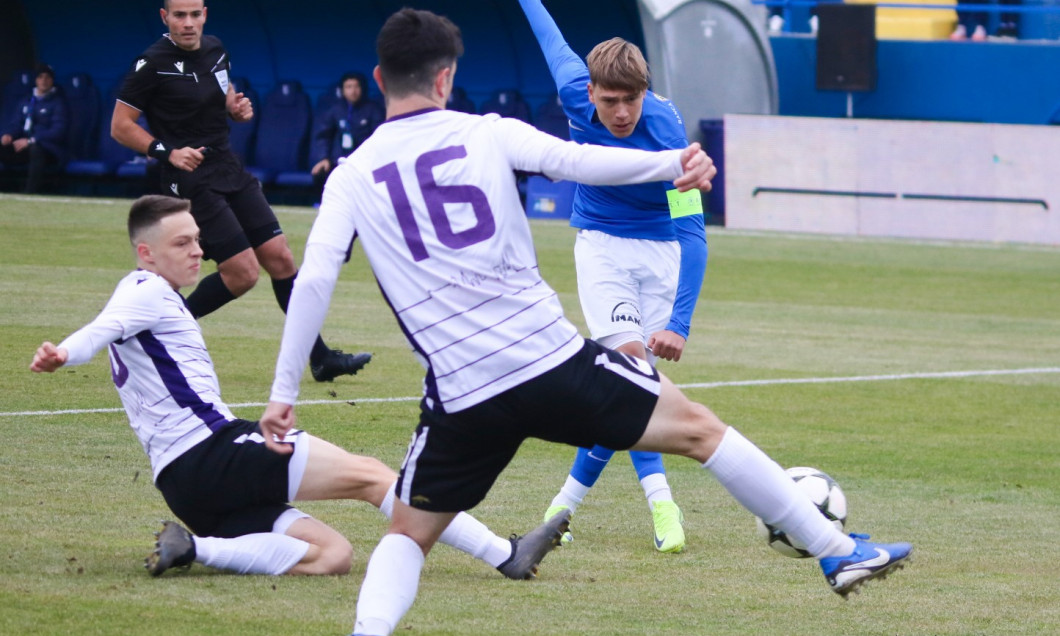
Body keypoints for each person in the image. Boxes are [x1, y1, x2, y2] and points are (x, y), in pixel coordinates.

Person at [259, 9, 913, 636]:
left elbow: (314, 280)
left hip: (461, 394)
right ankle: (834, 550)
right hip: (549, 363)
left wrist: (284, 392)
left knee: (408, 534)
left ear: (378, 80)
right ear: (445, 78)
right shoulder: (488, 131)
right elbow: (578, 162)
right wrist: (672, 164)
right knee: (701, 431)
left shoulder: (349, 177)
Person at [29, 194, 566, 580]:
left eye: (198, 239)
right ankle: (505, 554)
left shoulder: (154, 293)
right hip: (213, 454)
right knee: (373, 477)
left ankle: (195, 548)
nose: (200, 252)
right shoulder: (144, 289)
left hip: (185, 486)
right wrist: (64, 353)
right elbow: (103, 327)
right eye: (183, 243)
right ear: (146, 254)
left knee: (332, 555)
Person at [519, 0, 708, 553]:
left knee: (632, 391)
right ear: (591, 93)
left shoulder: (668, 132)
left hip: (661, 255)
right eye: (610, 100)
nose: (621, 111)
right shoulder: (574, 89)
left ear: (645, 93)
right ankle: (663, 504)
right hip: (601, 250)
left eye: (631, 99)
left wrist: (680, 322)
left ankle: (562, 508)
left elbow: (692, 232)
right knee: (632, 370)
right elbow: (549, 35)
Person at [110, 0, 369, 383]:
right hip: (191, 177)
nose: (188, 23)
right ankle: (159, 337)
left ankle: (320, 358)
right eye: (179, 16)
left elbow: (224, 94)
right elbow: (121, 125)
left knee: (281, 259)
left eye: (195, 14)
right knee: (243, 274)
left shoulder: (216, 49)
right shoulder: (151, 63)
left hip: (228, 166)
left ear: (205, 15)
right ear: (164, 18)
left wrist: (236, 107)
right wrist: (168, 152)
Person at [310, 72, 385, 191]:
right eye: (348, 87)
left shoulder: (374, 109)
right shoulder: (335, 110)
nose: (353, 91)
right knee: (320, 173)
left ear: (362, 88)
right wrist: (323, 158)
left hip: (364, 161)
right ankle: (322, 204)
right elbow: (324, 136)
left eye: (356, 86)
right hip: (339, 161)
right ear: (343, 90)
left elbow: (379, 138)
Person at [0, 63, 68, 194]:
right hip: (24, 146)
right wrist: (8, 135)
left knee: (36, 150)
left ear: (52, 80)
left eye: (47, 77)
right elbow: (16, 124)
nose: (44, 80)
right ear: (36, 80)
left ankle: (29, 193)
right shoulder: (26, 100)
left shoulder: (59, 103)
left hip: (49, 149)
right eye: (40, 77)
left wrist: (32, 140)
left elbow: (58, 131)